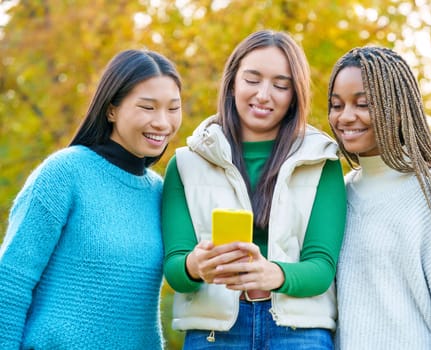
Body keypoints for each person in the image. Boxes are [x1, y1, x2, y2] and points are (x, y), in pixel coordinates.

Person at [162, 29, 346, 349]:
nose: (263, 95)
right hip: (214, 334)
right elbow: (174, 270)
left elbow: (322, 267)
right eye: (252, 79)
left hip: (298, 334)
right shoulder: (185, 164)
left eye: (280, 85)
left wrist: (273, 274)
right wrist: (195, 265)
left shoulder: (322, 162)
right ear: (233, 82)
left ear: (294, 95)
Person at [0, 49, 182, 349]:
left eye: (173, 108)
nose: (163, 122)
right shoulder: (64, 173)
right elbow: (10, 282)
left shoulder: (161, 193)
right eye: (147, 107)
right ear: (111, 109)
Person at [327, 46, 431, 350]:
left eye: (362, 104)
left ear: (398, 108)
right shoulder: (340, 192)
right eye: (337, 105)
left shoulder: (428, 190)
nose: (345, 117)